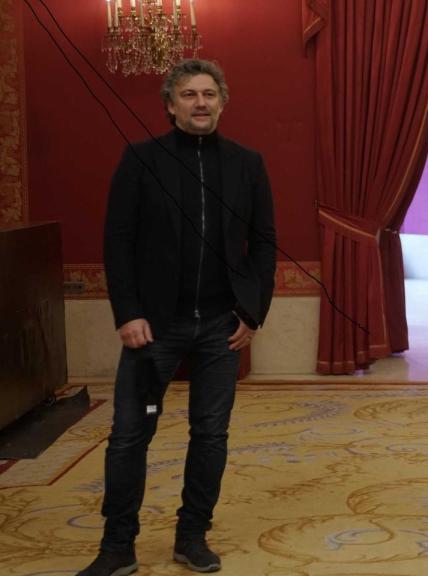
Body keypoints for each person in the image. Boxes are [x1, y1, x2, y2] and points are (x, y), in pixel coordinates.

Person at [79, 59, 276, 576]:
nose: (200, 103)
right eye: (188, 95)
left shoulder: (246, 164)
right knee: (129, 434)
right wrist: (128, 313)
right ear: (170, 105)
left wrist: (253, 312)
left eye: (209, 94)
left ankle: (192, 536)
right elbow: (117, 242)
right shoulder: (141, 160)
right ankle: (117, 546)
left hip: (220, 326)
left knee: (210, 435)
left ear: (222, 101)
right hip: (153, 329)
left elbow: (264, 246)